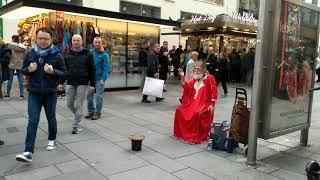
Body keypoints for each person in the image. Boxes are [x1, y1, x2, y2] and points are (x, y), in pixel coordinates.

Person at [16, 27, 66, 163]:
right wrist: (29, 70)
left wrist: (53, 71)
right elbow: (24, 70)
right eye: (40, 38)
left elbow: (64, 73)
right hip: (34, 92)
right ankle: (28, 151)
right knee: (33, 120)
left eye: (45, 38)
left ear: (51, 39)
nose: (42, 41)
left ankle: (52, 139)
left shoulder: (57, 54)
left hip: (50, 93)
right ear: (36, 38)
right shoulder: (31, 53)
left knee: (51, 118)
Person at [174, 59, 218, 144]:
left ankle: (194, 135)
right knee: (179, 110)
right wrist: (182, 77)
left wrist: (212, 104)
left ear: (203, 69)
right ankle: (182, 133)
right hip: (192, 103)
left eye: (198, 69)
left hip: (204, 104)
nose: (196, 71)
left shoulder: (210, 78)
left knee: (197, 114)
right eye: (195, 69)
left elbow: (214, 92)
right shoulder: (195, 79)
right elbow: (187, 88)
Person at [59, 35, 96, 134]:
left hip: (83, 82)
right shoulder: (67, 54)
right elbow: (64, 69)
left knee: (79, 105)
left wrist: (92, 84)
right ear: (72, 42)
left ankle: (75, 126)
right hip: (70, 82)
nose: (76, 42)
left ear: (82, 42)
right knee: (69, 103)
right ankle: (78, 116)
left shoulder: (88, 54)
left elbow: (92, 70)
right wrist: (61, 82)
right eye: (74, 40)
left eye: (78, 40)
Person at [85, 37, 110, 120]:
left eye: (99, 42)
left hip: (100, 79)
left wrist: (103, 78)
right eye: (95, 42)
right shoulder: (90, 53)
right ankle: (91, 111)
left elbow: (107, 68)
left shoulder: (104, 55)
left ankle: (97, 113)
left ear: (101, 43)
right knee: (89, 96)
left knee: (99, 96)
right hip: (91, 78)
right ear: (93, 43)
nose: (97, 44)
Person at [4, 35, 26, 100]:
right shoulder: (22, 47)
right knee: (20, 80)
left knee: (10, 80)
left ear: (13, 39)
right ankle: (21, 95)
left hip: (11, 63)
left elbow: (8, 54)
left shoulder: (10, 46)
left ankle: (8, 95)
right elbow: (24, 56)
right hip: (20, 64)